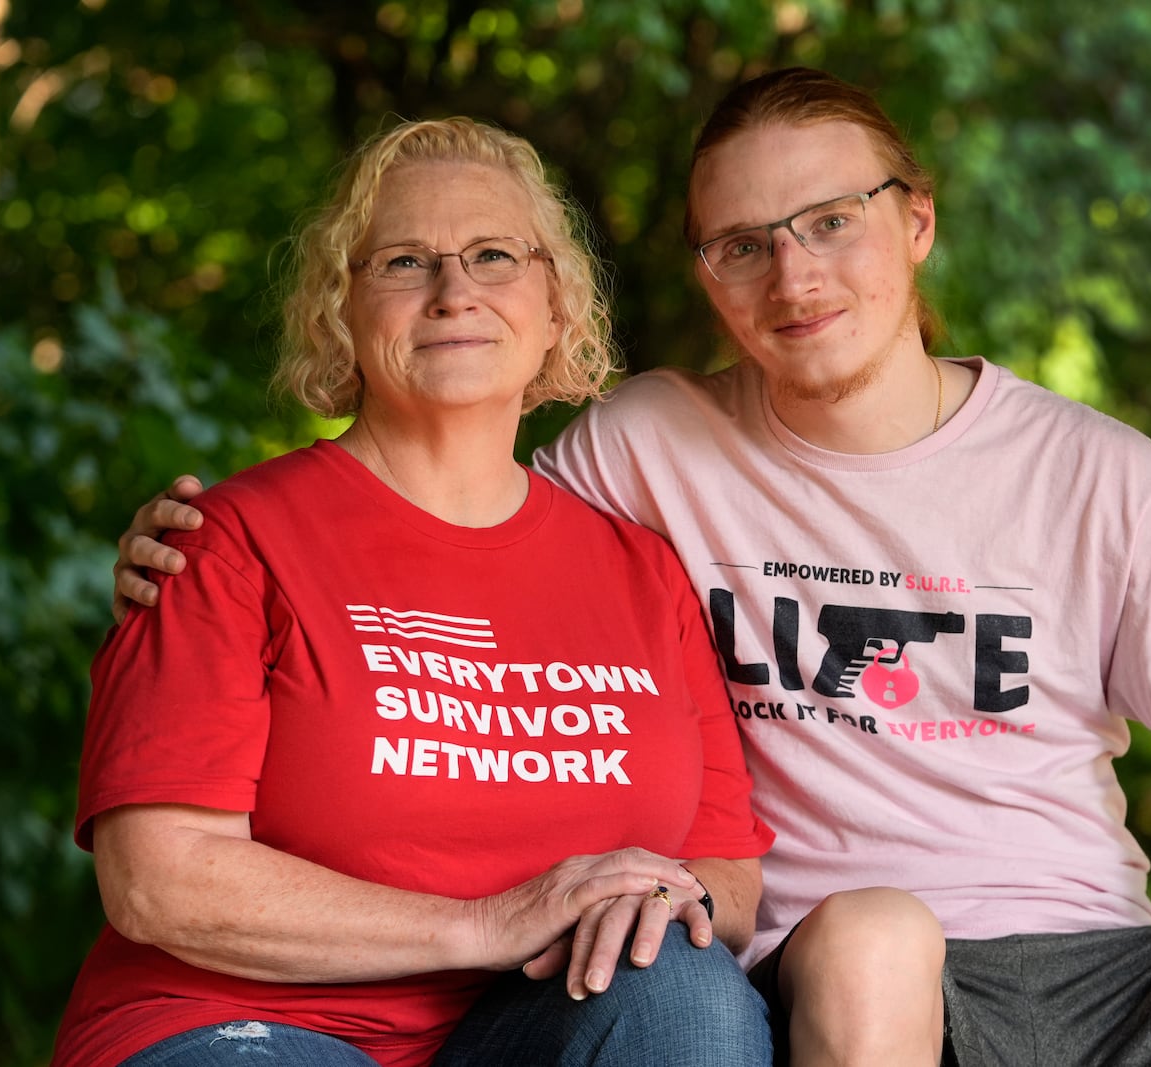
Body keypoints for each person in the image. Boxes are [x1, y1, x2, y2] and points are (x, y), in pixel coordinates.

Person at [112, 69, 1151, 1067]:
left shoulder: (1098, 470)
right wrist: (193, 546)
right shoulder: (650, 446)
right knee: (865, 931)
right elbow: (436, 505)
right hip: (853, 970)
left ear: (916, 223)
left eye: (831, 221)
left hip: (1102, 964)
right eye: (743, 244)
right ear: (705, 278)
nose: (795, 273)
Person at [55, 115, 776, 1067]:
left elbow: (727, 872)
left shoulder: (644, 573)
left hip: (532, 1023)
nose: (453, 292)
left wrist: (666, 897)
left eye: (492, 255)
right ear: (337, 313)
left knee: (684, 986)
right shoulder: (227, 545)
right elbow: (157, 882)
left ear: (556, 308)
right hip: (248, 1027)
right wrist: (485, 923)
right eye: (402, 262)